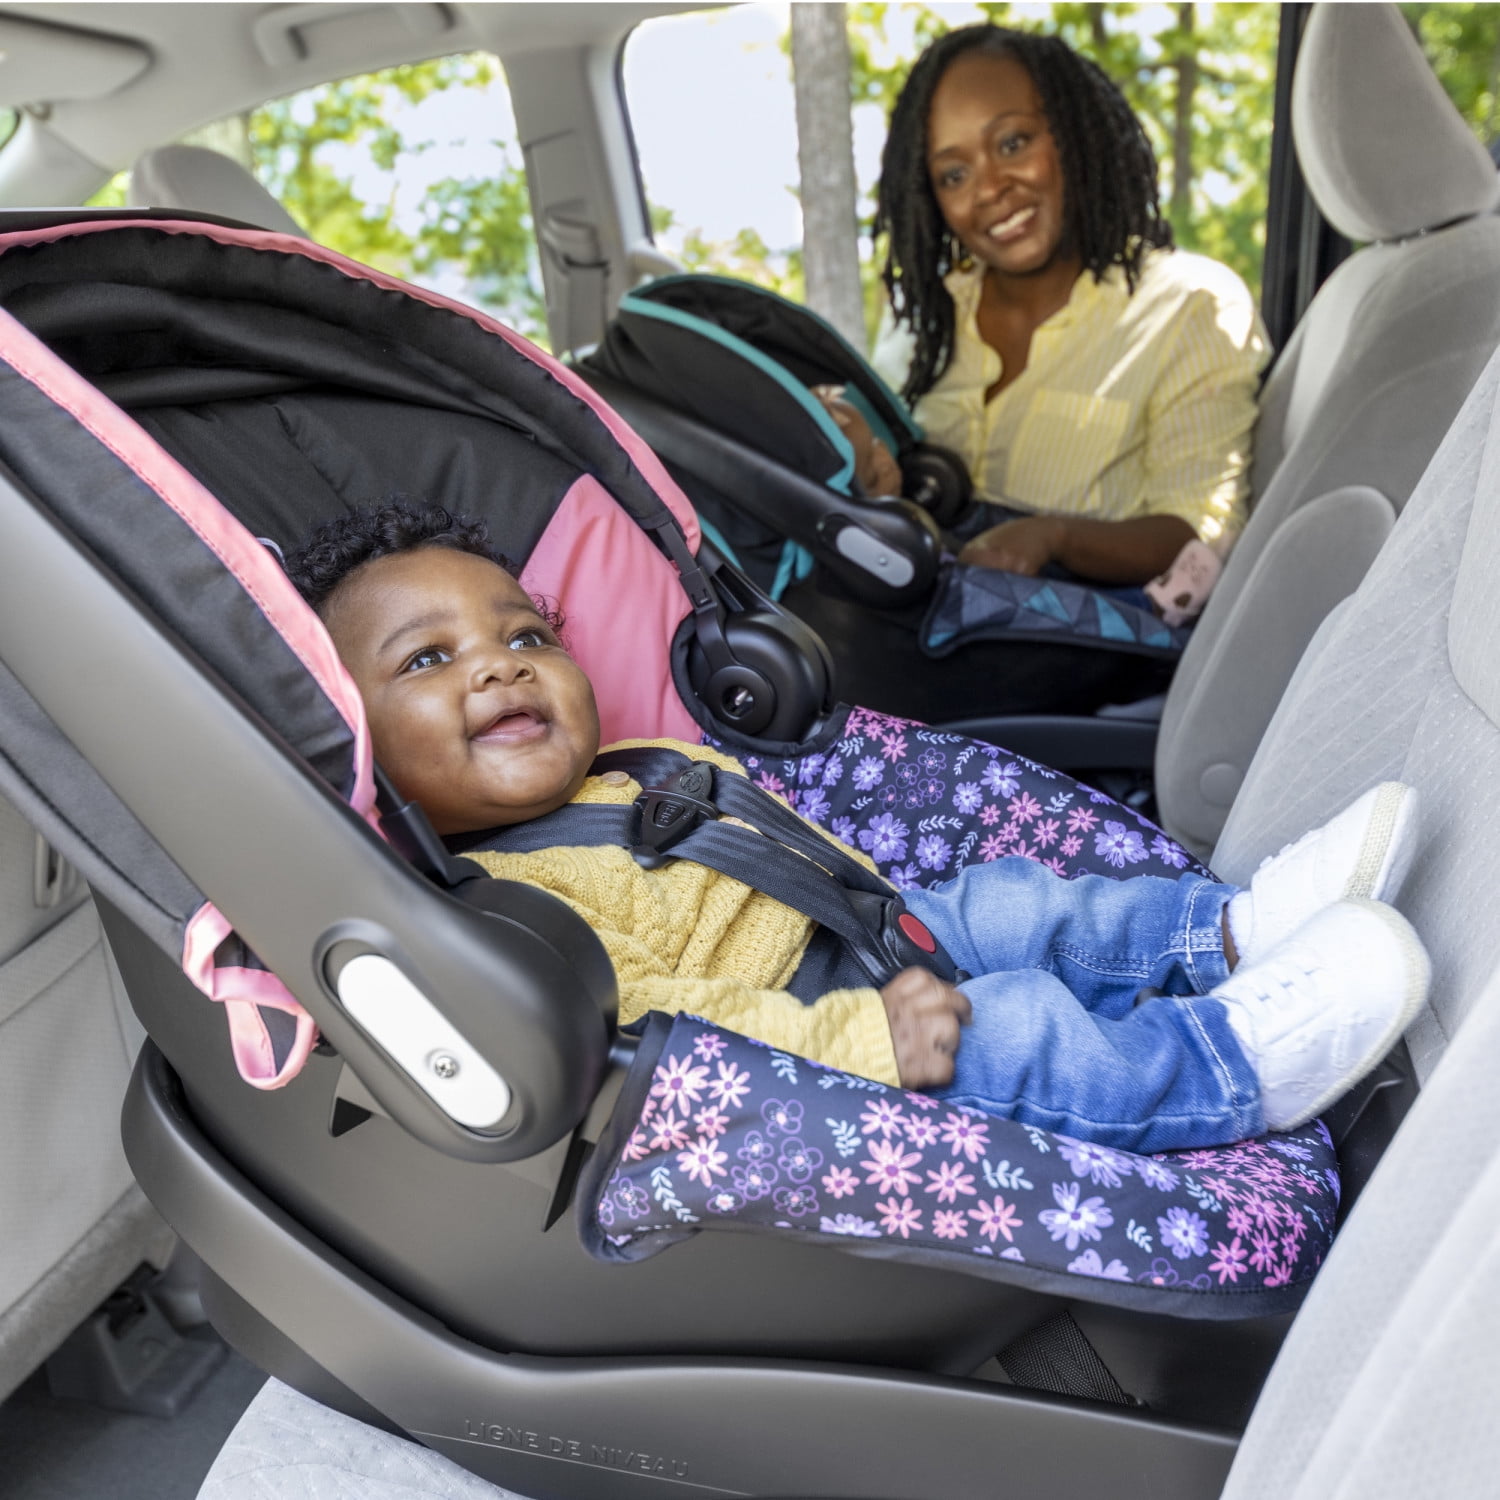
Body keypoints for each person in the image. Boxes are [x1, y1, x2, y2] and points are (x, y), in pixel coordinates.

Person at [286, 502, 1427, 1155]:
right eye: (427, 660)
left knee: (1018, 902)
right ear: (354, 742)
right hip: (820, 1045)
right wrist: (863, 1040)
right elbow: (662, 1034)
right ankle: (1232, 1064)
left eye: (527, 635)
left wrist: (905, 927)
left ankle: (1227, 931)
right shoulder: (504, 910)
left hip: (876, 932)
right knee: (1017, 1030)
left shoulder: (638, 765)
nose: (499, 664)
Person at [843, 24, 1269, 593]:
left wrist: (1055, 537)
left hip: (1080, 641)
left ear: (1074, 134)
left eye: (1013, 143)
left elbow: (1201, 533)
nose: (989, 188)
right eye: (954, 174)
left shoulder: (1190, 306)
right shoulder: (928, 322)